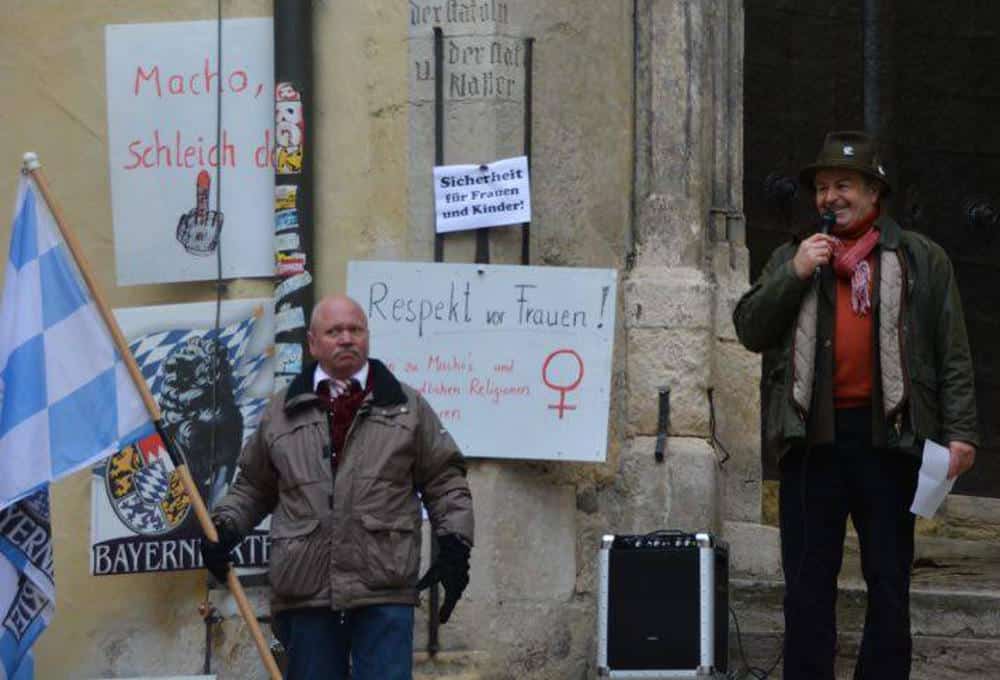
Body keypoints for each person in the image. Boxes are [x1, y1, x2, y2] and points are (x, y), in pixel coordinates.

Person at [733, 131, 978, 680]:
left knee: (889, 581)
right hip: (811, 442)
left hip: (889, 442)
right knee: (807, 585)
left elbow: (952, 351)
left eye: (843, 185)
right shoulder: (792, 256)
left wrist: (961, 432)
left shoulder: (921, 258)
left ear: (873, 193)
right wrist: (795, 272)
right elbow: (750, 328)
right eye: (821, 188)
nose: (829, 198)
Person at [201, 295, 474, 680]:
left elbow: (445, 480)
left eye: (355, 330)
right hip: (306, 592)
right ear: (313, 343)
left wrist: (455, 547)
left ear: (367, 337)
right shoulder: (281, 413)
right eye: (334, 331)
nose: (346, 339)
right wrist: (225, 528)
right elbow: (252, 487)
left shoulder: (407, 407)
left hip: (383, 589)